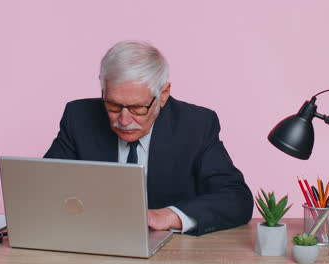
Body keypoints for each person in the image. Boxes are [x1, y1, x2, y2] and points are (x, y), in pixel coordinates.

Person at [44, 41, 253, 236]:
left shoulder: (196, 125)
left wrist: (169, 216)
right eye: (113, 105)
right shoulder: (78, 117)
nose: (124, 120)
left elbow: (236, 199)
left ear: (163, 94)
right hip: (92, 239)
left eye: (137, 108)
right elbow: (43, 186)